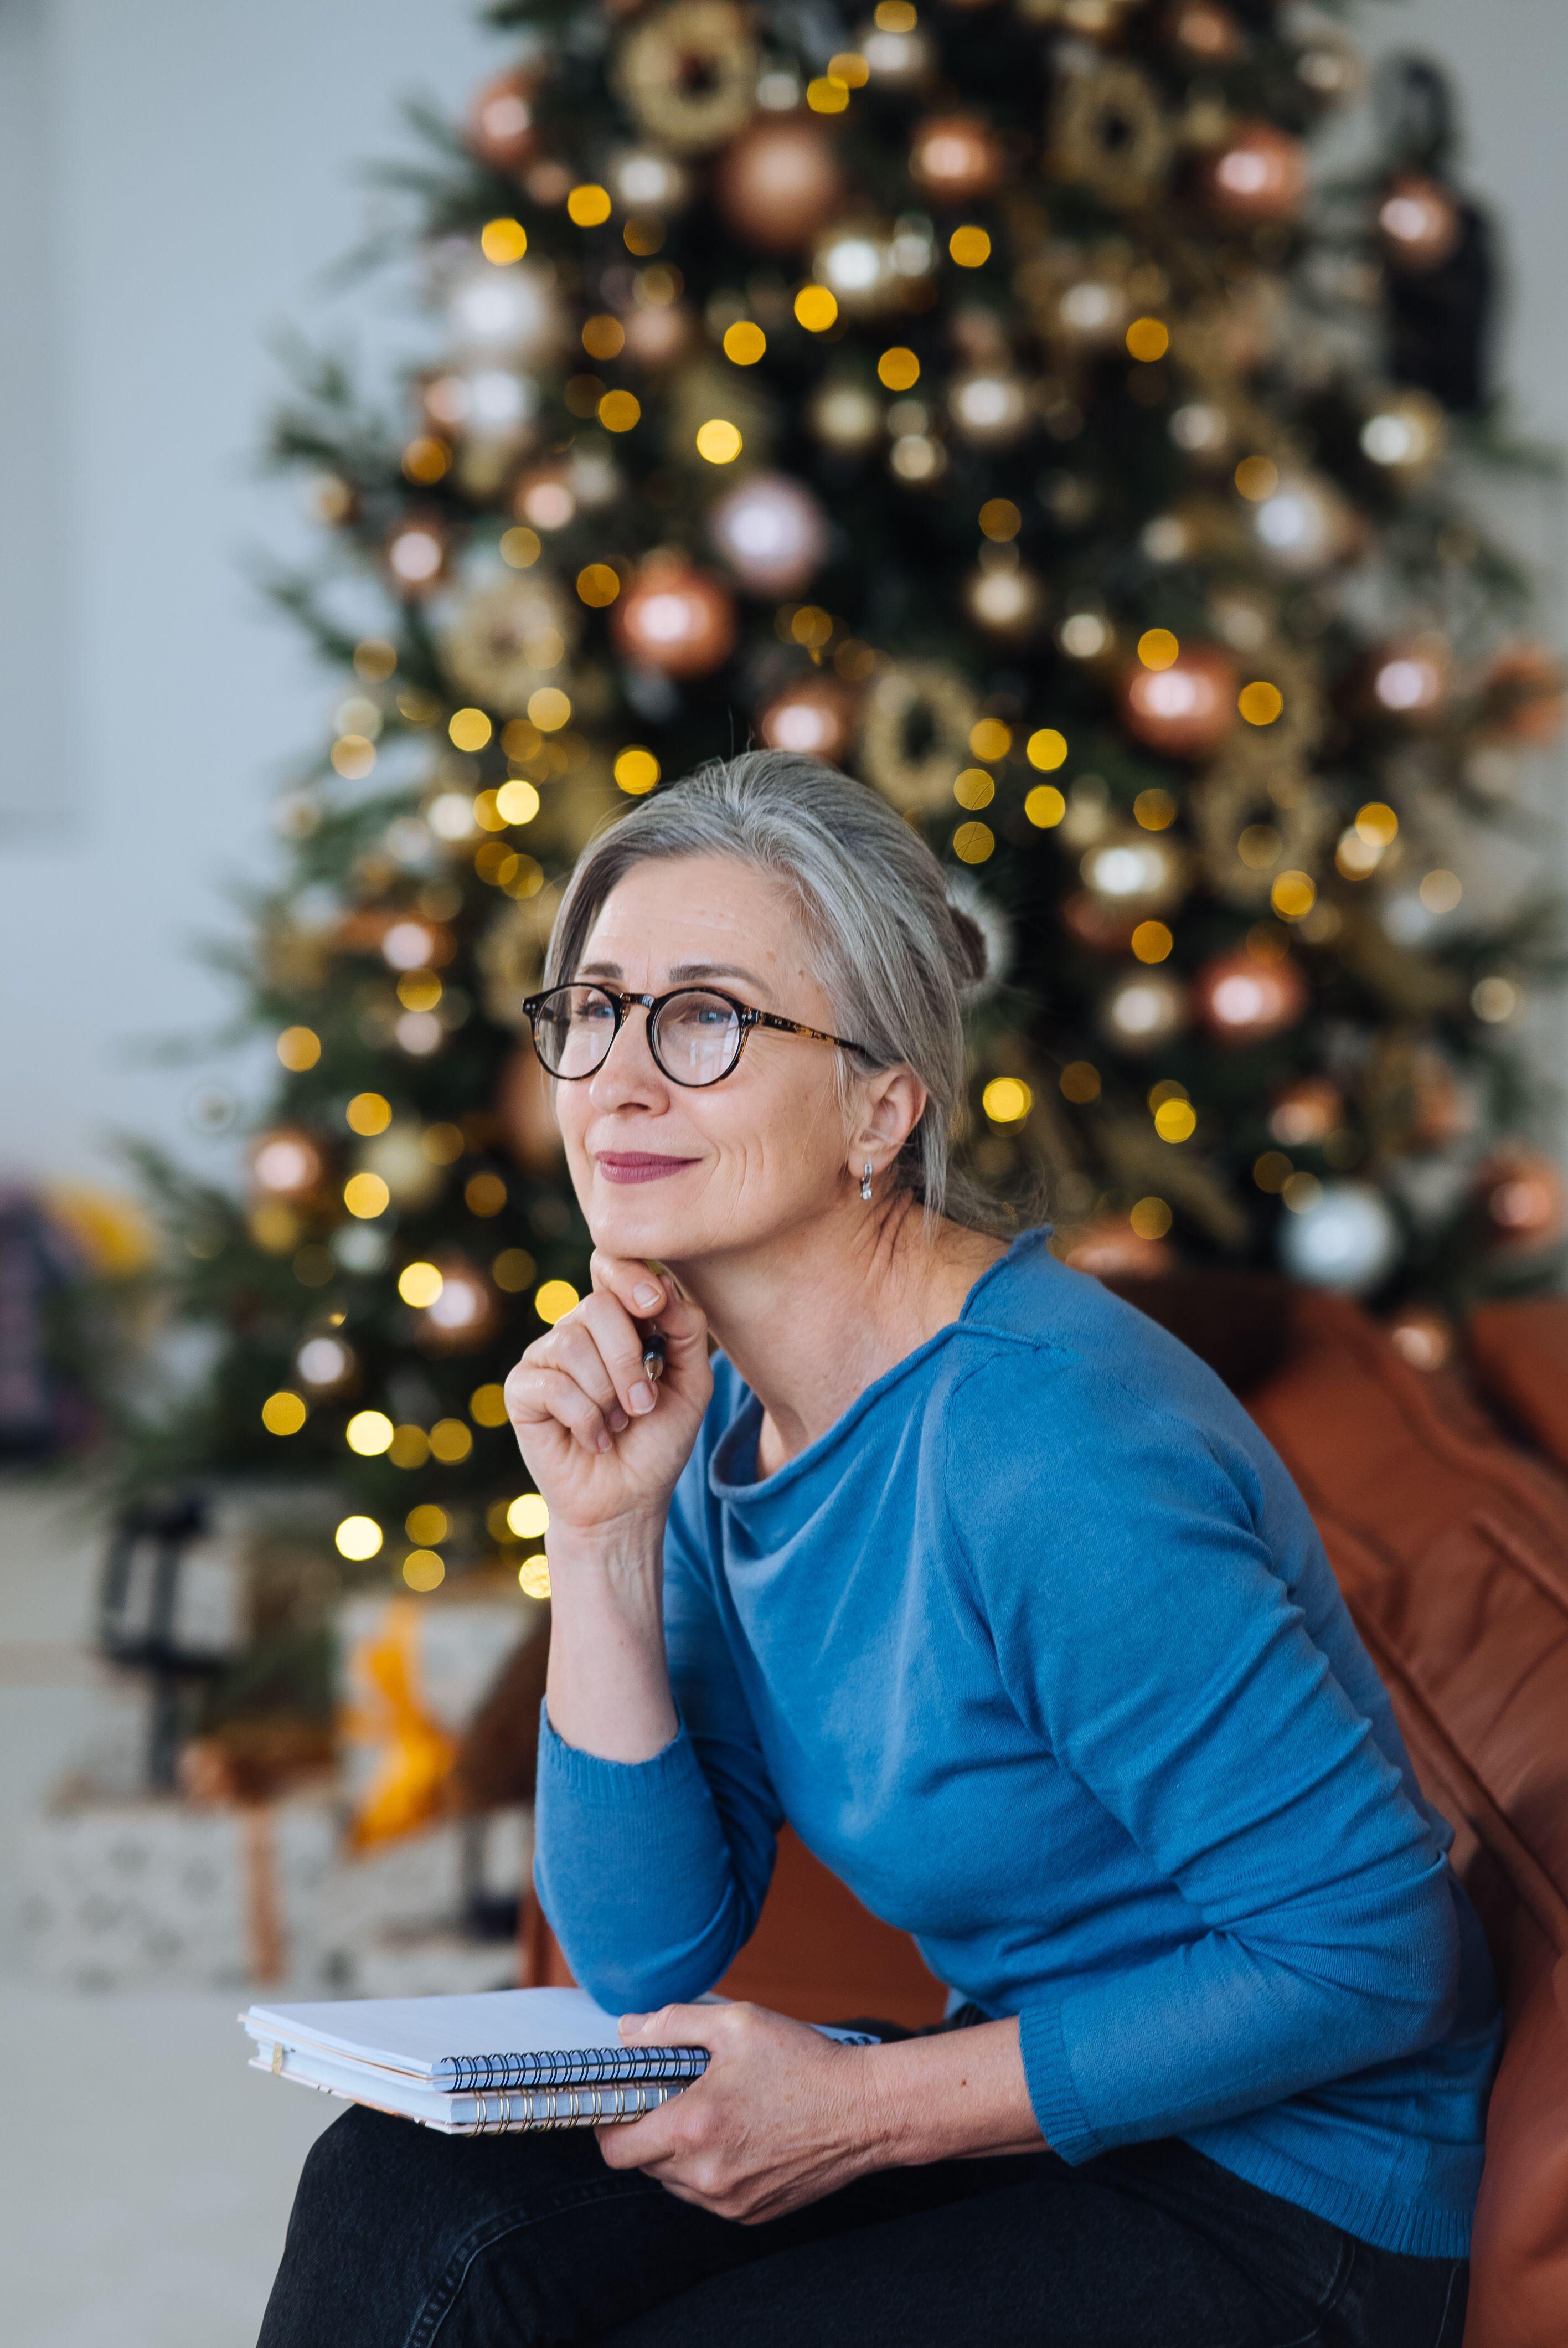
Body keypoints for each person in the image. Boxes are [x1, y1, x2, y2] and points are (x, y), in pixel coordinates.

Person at [260, 753, 1498, 2348]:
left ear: (881, 1106)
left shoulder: (1049, 1453)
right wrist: (606, 1531)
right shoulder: (717, 1406)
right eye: (594, 1009)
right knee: (403, 2193)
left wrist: (859, 2110)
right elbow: (647, 1952)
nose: (618, 1080)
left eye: (704, 1018)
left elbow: (1375, 1955)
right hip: (1045, 2108)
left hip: (1290, 2197)